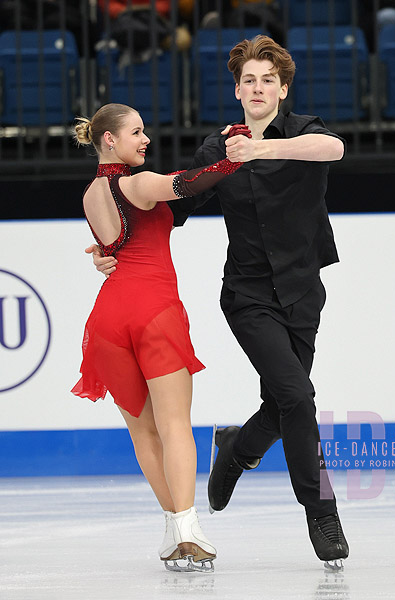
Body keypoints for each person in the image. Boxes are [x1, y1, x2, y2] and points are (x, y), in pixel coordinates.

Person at [90, 35, 349, 570]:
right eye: (248, 80)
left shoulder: (304, 133)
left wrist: (262, 148)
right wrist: (111, 247)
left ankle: (237, 449)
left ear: (282, 89)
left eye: (267, 80)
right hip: (249, 297)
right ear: (237, 90)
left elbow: (335, 150)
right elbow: (168, 208)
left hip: (303, 291)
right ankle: (322, 512)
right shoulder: (216, 149)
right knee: (299, 398)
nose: (258, 88)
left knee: (285, 403)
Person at [71, 102, 249, 572]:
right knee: (174, 426)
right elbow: (189, 184)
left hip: (108, 319)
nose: (145, 139)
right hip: (154, 311)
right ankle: (190, 529)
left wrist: (100, 257)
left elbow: (112, 246)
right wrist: (235, 158)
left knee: (143, 432)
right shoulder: (139, 182)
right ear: (109, 139)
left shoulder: (91, 193)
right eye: (136, 132)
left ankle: (174, 528)